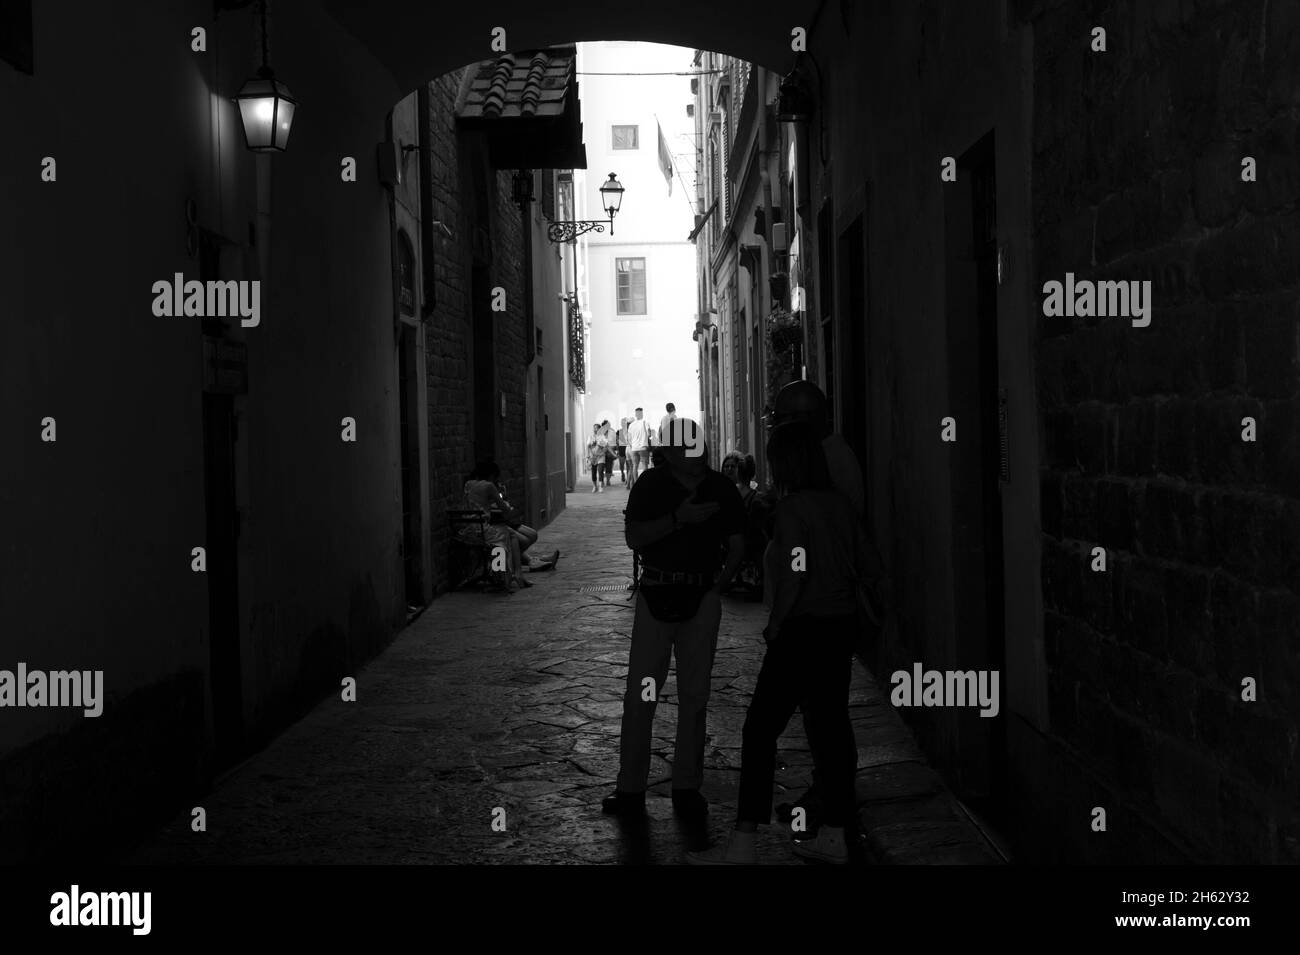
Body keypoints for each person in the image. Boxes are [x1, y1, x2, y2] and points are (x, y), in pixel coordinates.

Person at [687, 423, 862, 864]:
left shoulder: (791, 509)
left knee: (760, 730)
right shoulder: (841, 505)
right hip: (840, 627)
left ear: (785, 463)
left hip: (802, 630)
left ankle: (743, 843)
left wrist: (776, 624)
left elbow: (796, 573)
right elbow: (868, 562)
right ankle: (837, 836)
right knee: (831, 729)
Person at [602, 417, 746, 821]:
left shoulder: (719, 487)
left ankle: (687, 786)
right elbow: (634, 537)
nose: (696, 453)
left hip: (701, 598)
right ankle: (630, 787)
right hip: (656, 596)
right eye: (687, 447)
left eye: (697, 444)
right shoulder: (650, 486)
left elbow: (737, 541)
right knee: (640, 695)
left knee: (695, 696)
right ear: (668, 453)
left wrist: (721, 584)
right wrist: (679, 519)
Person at [460, 460, 529, 591]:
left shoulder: (468, 484)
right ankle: (506, 577)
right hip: (480, 529)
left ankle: (512, 574)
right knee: (504, 537)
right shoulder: (489, 486)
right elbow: (505, 509)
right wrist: (507, 506)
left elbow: (477, 500)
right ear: (492, 475)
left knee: (509, 533)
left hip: (465, 529)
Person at [625, 407, 651, 488]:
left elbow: (628, 438)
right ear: (642, 413)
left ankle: (636, 484)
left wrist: (633, 445)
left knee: (635, 466)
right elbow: (649, 434)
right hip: (643, 447)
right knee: (644, 466)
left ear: (636, 414)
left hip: (634, 448)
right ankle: (645, 483)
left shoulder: (631, 425)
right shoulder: (645, 422)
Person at [601, 420, 617, 488]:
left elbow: (614, 443)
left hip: (610, 452)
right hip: (601, 452)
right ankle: (601, 481)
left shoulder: (612, 432)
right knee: (601, 467)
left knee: (609, 467)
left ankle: (608, 480)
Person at [616, 418, 630, 485]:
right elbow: (616, 441)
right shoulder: (619, 431)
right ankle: (622, 473)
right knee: (621, 465)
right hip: (621, 450)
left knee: (628, 465)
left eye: (624, 422)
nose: (623, 424)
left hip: (628, 449)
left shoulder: (629, 431)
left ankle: (628, 479)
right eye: (622, 422)